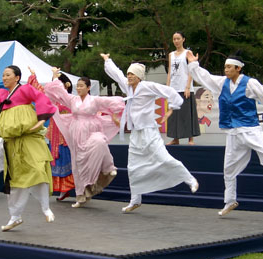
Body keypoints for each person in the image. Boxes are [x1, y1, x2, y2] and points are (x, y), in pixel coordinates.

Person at [101, 53, 199, 213]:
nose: (129, 76)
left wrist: (171, 109)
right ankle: (135, 200)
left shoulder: (147, 86)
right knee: (133, 167)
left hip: (149, 131)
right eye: (128, 74)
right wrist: (107, 60)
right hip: (136, 134)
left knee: (163, 158)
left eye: (132, 74)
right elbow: (116, 74)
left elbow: (170, 92)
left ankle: (190, 179)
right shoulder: (127, 87)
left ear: (139, 76)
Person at [186, 51, 263, 216]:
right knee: (228, 169)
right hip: (233, 133)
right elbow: (205, 77)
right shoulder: (222, 83)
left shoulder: (250, 83)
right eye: (225, 67)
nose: (225, 70)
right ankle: (230, 201)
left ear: (238, 68)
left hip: (250, 130)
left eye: (229, 67)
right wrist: (193, 64)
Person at [0, 66, 56, 231]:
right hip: (11, 143)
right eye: (3, 75)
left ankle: (45, 207)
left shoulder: (25, 90)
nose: (4, 77)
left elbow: (41, 98)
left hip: (29, 139)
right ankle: (15, 216)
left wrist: (42, 118)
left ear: (17, 77)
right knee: (15, 181)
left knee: (38, 170)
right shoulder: (1, 94)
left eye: (7, 74)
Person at [44, 68, 125, 208]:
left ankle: (108, 168)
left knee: (100, 141)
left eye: (82, 86)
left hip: (92, 128)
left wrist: (114, 115)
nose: (79, 88)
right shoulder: (72, 100)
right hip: (76, 132)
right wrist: (55, 76)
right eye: (78, 86)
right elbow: (58, 92)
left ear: (88, 88)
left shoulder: (95, 100)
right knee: (78, 163)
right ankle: (81, 195)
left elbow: (112, 103)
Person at [27, 67, 75, 201]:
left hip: (67, 134)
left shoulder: (70, 99)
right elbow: (40, 91)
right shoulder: (51, 100)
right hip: (55, 134)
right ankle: (62, 190)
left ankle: (78, 189)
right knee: (57, 160)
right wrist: (33, 77)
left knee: (69, 159)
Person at [166, 31, 200, 145]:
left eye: (178, 38)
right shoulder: (171, 54)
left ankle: (191, 138)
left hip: (184, 87)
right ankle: (175, 138)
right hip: (173, 88)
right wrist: (167, 88)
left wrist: (187, 87)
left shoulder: (187, 52)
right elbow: (170, 71)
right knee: (174, 114)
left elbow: (191, 70)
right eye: (174, 39)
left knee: (186, 113)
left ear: (183, 39)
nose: (176, 41)